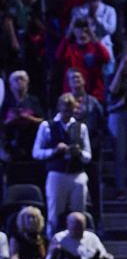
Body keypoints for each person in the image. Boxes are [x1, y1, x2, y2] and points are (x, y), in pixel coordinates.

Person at [33, 92, 92, 220]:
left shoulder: (81, 127)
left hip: (77, 174)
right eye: (64, 109)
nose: (67, 113)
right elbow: (36, 152)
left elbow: (88, 156)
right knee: (54, 213)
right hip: (57, 173)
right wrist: (54, 151)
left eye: (70, 110)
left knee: (79, 214)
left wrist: (79, 152)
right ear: (59, 108)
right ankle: (52, 237)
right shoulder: (47, 126)